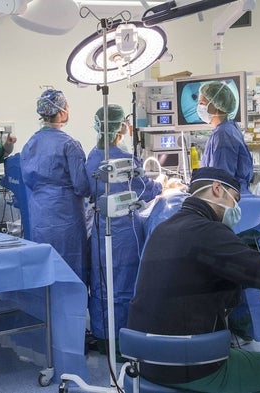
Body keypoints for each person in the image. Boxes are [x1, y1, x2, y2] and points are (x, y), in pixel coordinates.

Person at [127, 167, 260, 393]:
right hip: (187, 364)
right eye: (236, 200)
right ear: (217, 188)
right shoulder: (209, 232)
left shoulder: (164, 228)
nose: (236, 209)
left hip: (144, 360)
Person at [84, 104, 163, 352]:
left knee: (102, 282)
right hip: (125, 232)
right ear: (120, 127)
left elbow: (87, 190)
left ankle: (103, 336)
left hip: (100, 230)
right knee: (126, 282)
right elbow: (145, 190)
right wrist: (162, 184)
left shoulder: (92, 157)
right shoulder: (125, 159)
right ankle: (125, 341)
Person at [21, 89, 91, 284]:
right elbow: (81, 186)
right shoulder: (69, 144)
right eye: (67, 107)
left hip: (40, 212)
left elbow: (27, 178)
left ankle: (50, 311)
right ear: (61, 112)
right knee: (70, 265)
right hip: (66, 214)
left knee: (47, 264)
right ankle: (73, 310)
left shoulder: (30, 143)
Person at [198, 81, 254, 193]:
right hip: (232, 195)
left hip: (228, 199)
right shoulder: (229, 127)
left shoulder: (223, 135)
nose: (199, 107)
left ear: (216, 105)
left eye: (202, 103)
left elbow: (220, 182)